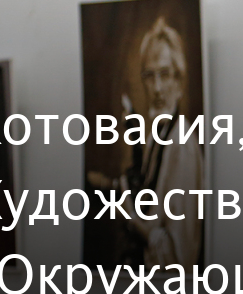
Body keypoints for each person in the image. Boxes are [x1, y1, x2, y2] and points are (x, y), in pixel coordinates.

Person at [88, 17, 205, 268]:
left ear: (179, 81)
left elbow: (179, 259)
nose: (158, 88)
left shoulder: (182, 147)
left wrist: (129, 218)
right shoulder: (158, 136)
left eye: (165, 75)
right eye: (150, 76)